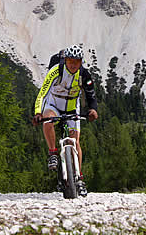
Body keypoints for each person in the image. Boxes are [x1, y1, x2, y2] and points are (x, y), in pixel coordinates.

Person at [32, 44, 98, 196]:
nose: (73, 64)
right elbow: (42, 93)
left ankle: (79, 178)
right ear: (65, 61)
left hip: (72, 107)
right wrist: (37, 112)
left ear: (81, 62)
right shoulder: (56, 71)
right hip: (53, 103)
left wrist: (93, 110)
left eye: (76, 61)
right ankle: (53, 153)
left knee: (75, 141)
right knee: (48, 120)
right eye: (70, 61)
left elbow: (91, 95)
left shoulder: (84, 75)